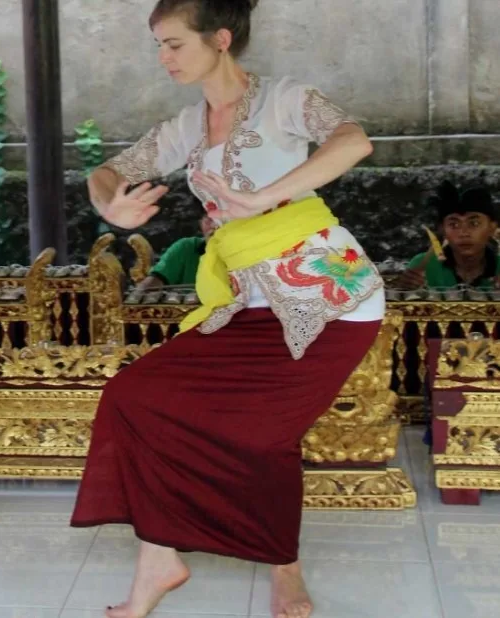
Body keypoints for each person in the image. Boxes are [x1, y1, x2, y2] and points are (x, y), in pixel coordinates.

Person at [69, 2, 385, 618]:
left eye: (174, 44)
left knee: (265, 436)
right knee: (135, 395)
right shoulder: (185, 126)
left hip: (333, 298)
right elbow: (106, 172)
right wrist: (111, 206)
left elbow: (355, 141)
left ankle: (284, 569)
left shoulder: (286, 100)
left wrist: (265, 197)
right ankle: (159, 559)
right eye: (158, 46)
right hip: (247, 303)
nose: (164, 58)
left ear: (219, 38)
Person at [396, 181, 500, 290]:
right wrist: (405, 291)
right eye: (454, 225)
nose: (463, 233)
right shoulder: (424, 265)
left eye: (474, 223)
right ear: (442, 230)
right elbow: (403, 297)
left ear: (492, 227)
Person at [137, 216, 215, 291]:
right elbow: (153, 281)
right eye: (209, 219)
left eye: (220, 219)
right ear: (200, 223)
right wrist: (141, 291)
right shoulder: (186, 248)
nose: (214, 225)